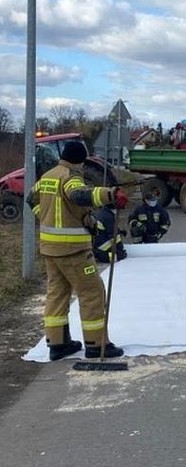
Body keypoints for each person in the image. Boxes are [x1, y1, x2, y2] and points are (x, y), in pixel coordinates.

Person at [26, 141, 128, 361]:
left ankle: (58, 344)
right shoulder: (71, 177)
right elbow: (78, 195)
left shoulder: (48, 176)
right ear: (80, 161)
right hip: (72, 250)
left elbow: (30, 199)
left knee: (57, 294)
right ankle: (96, 345)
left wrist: (44, 217)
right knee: (92, 292)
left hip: (50, 249)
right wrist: (109, 194)